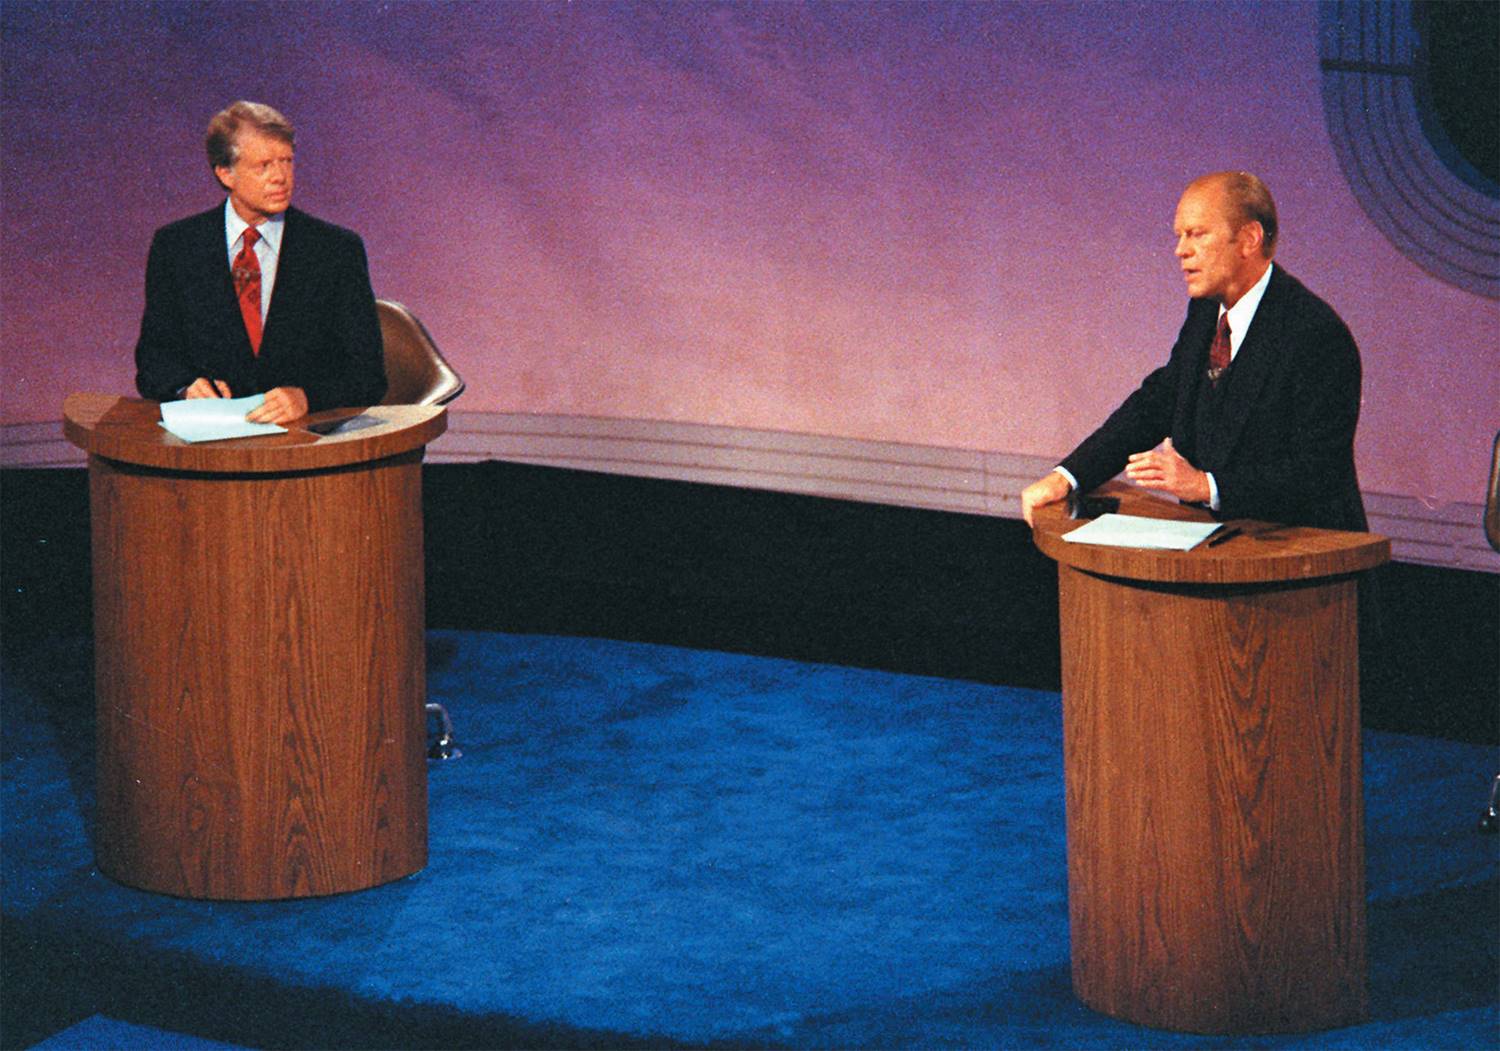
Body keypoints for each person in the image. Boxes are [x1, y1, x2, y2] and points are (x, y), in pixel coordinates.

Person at [1020, 171, 1367, 534]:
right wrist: (1067, 477)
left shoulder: (1315, 334)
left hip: (1306, 564)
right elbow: (1159, 402)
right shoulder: (1206, 312)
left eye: (1197, 234)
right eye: (1180, 235)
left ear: (1249, 239)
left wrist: (1206, 486)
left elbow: (1318, 473)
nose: (1180, 250)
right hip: (1215, 552)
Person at [134, 101, 386, 424]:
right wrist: (185, 386)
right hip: (210, 450)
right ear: (226, 173)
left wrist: (307, 397)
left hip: (305, 449)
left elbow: (368, 374)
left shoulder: (336, 250)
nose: (281, 177)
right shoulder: (176, 247)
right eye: (264, 165)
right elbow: (154, 359)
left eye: (287, 162)